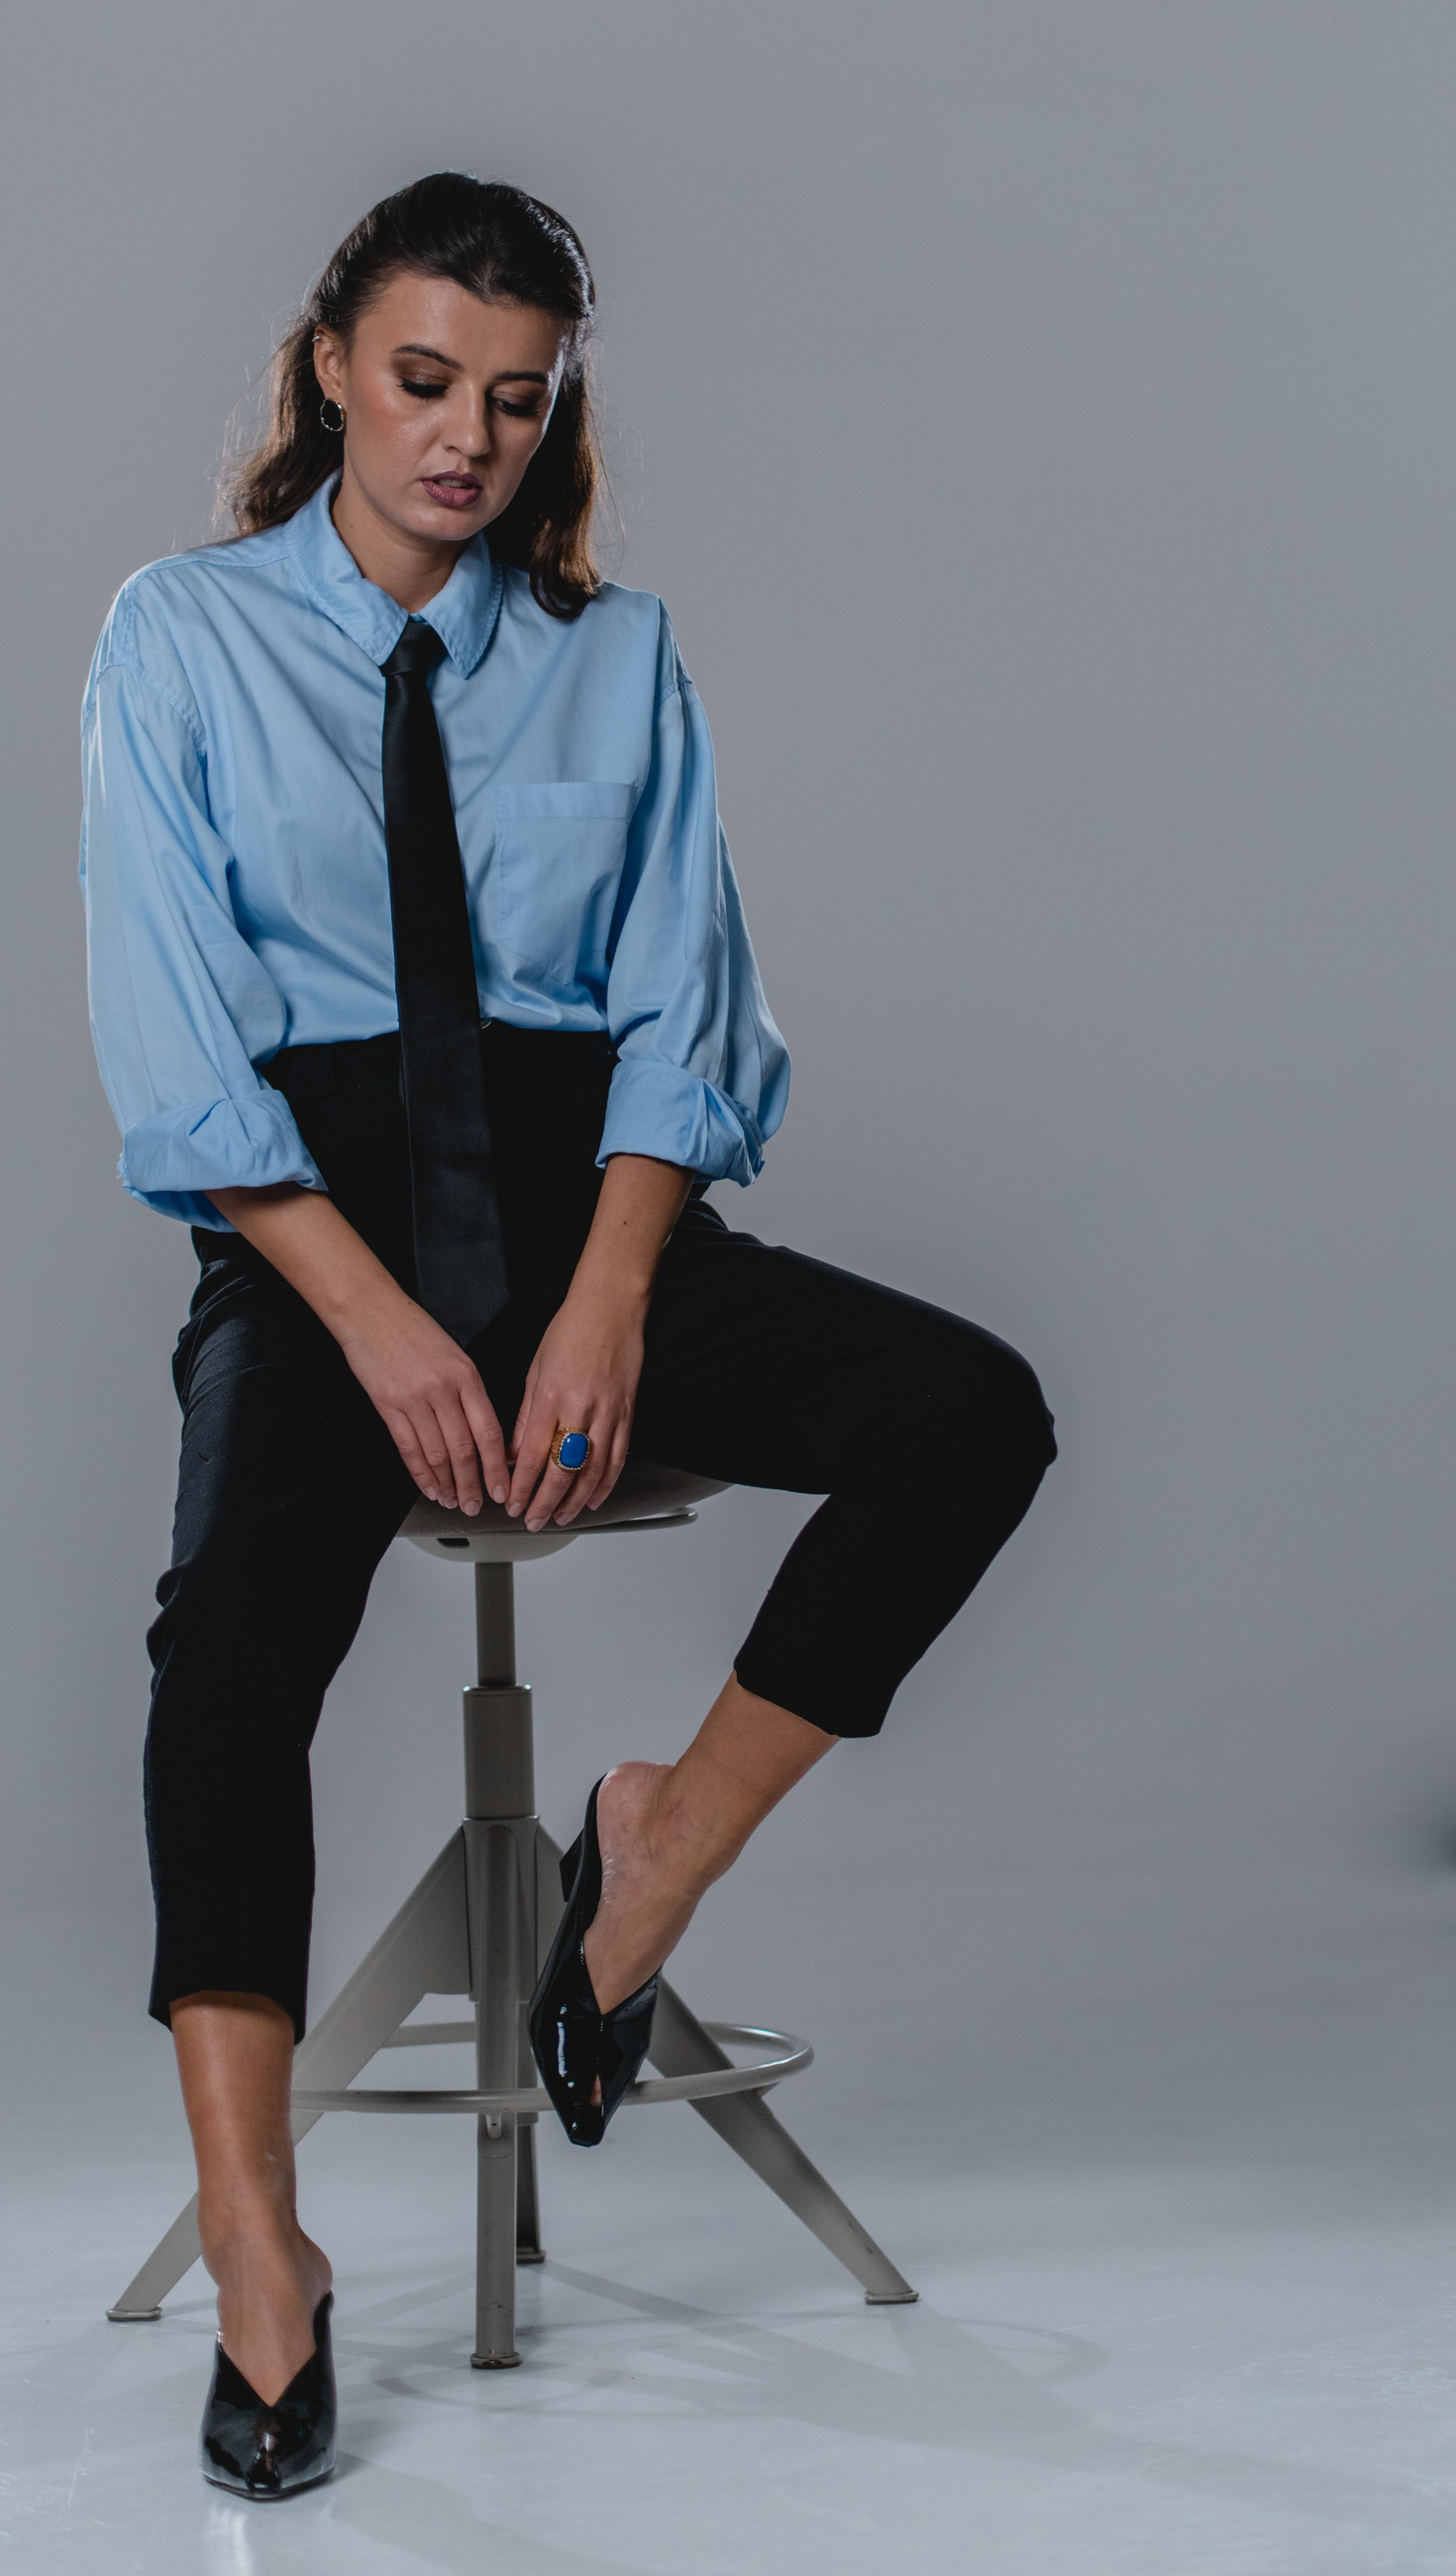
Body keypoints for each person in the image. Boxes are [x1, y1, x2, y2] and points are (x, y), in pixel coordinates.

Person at [79, 172, 1055, 2498]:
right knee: (224, 1649)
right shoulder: (180, 636)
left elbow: (679, 1006)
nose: (466, 440)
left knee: (972, 1415)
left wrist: (609, 1295)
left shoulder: (619, 655)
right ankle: (261, 2245)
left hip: (588, 1220)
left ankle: (657, 1860)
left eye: (515, 401)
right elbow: (179, 1041)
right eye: (425, 383)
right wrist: (384, 1331)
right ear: (333, 364)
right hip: (315, 1245)